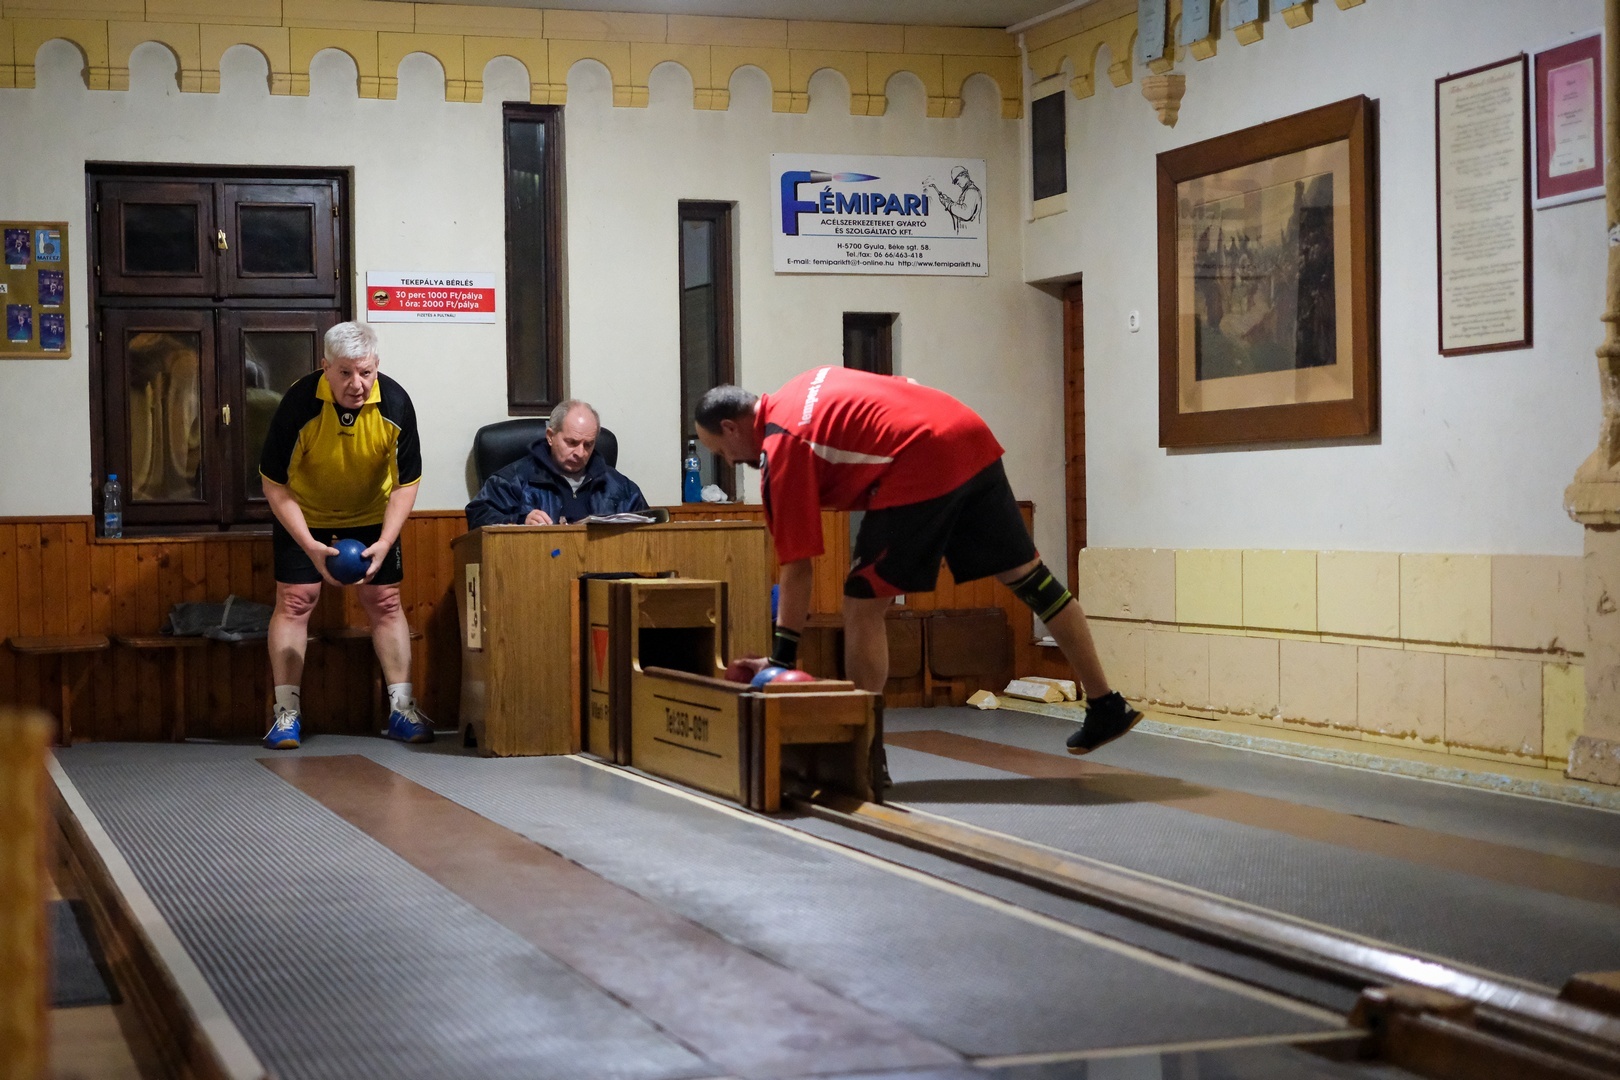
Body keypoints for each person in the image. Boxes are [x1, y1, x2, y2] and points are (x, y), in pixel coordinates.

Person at [695, 366, 1141, 755]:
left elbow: (797, 567)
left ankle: (862, 750)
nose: (729, 462)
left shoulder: (782, 448)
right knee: (1029, 578)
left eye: (719, 451)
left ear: (732, 427)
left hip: (920, 455)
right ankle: (1106, 704)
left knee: (862, 601)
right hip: (966, 430)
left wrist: (780, 662)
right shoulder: (805, 384)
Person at [257, 321, 430, 750]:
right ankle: (286, 715)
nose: (357, 384)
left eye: (366, 372)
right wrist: (309, 545)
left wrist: (385, 542)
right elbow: (274, 484)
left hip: (370, 512)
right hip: (306, 513)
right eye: (346, 373)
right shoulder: (299, 403)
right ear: (325, 367)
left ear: (376, 366)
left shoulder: (396, 403)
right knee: (296, 600)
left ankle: (402, 709)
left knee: (385, 600)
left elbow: (405, 484)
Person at [465, 399, 648, 528]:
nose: (580, 453)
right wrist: (519, 521)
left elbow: (648, 529)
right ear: (550, 437)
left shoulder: (619, 487)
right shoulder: (512, 480)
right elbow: (478, 516)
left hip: (605, 569)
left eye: (588, 445)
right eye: (572, 442)